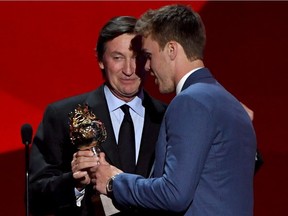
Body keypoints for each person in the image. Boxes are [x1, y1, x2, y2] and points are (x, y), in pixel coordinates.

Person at [93, 4, 257, 216]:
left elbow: (174, 193)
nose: (147, 67)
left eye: (149, 55)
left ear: (171, 49)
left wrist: (114, 181)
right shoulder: (232, 104)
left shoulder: (190, 102)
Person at [28, 16, 167, 216]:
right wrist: (74, 183)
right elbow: (35, 196)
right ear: (101, 60)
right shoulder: (63, 116)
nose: (129, 70)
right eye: (118, 57)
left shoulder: (167, 117)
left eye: (137, 57)